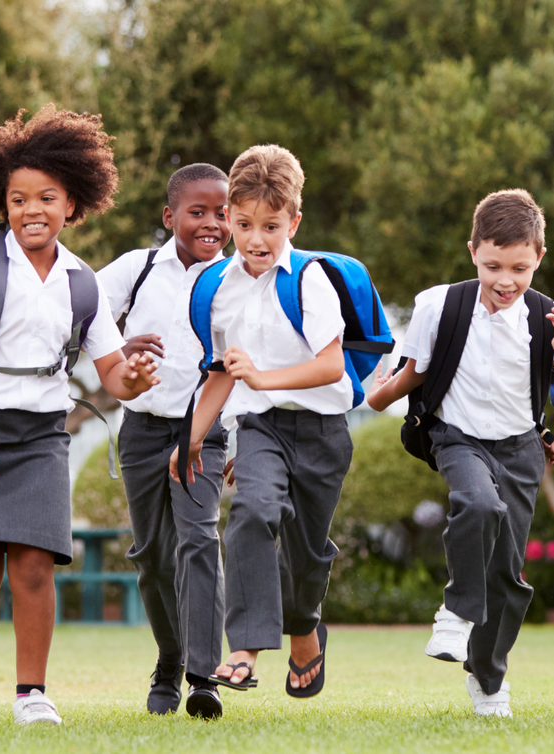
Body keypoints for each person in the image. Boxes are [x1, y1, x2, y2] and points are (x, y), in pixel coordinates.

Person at [0, 105, 159, 726]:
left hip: (42, 435)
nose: (32, 210)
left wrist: (134, 377)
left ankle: (31, 694)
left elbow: (111, 376)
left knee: (34, 563)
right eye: (19, 199)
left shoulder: (83, 283)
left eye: (47, 197)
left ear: (72, 203)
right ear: (3, 203)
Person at [366, 189, 554, 717]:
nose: (505, 280)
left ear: (539, 257)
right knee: (478, 504)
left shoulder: (547, 318)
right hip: (457, 438)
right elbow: (415, 374)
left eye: (519, 267)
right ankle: (456, 611)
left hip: (520, 450)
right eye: (493, 265)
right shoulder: (438, 305)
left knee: (509, 578)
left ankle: (488, 678)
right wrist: (374, 395)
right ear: (472, 251)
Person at [170, 144, 348, 701]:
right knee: (252, 511)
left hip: (322, 430)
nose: (256, 239)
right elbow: (223, 371)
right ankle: (243, 650)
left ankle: (303, 630)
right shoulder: (218, 288)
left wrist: (263, 377)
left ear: (293, 221)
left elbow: (331, 364)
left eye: (271, 226)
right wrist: (191, 439)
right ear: (229, 219)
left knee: (307, 554)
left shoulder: (311, 280)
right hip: (261, 428)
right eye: (244, 224)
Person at [97, 162, 233, 718]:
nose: (211, 224)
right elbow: (83, 317)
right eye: (196, 212)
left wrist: (237, 438)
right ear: (169, 215)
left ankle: (204, 677)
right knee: (152, 558)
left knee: (199, 541)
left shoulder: (237, 280)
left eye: (222, 214)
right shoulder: (138, 267)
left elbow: (242, 368)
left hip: (205, 432)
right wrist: (120, 345)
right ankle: (170, 661)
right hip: (141, 432)